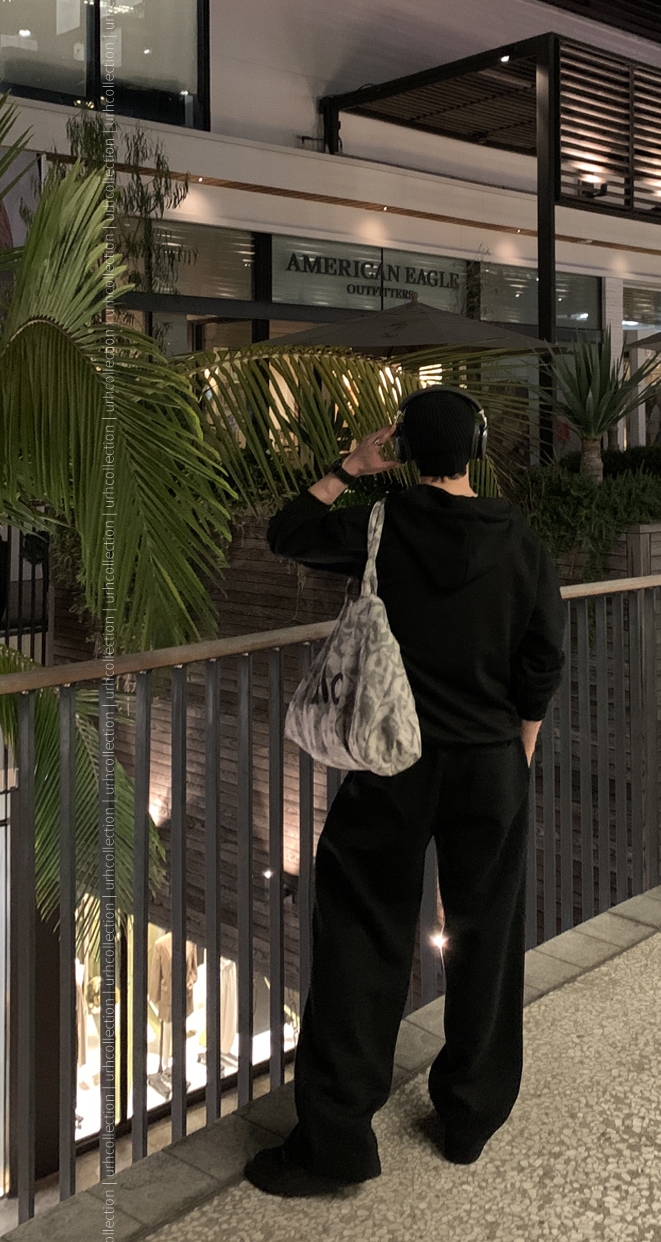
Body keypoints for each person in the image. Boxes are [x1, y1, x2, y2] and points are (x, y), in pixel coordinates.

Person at [244, 385, 565, 1197]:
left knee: (360, 934)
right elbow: (542, 660)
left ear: (408, 453)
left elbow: (288, 531)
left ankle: (336, 1141)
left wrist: (350, 467)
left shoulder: (380, 526)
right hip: (490, 762)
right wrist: (519, 754)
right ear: (477, 448)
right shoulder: (521, 538)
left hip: (393, 765)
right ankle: (469, 1118)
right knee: (487, 936)